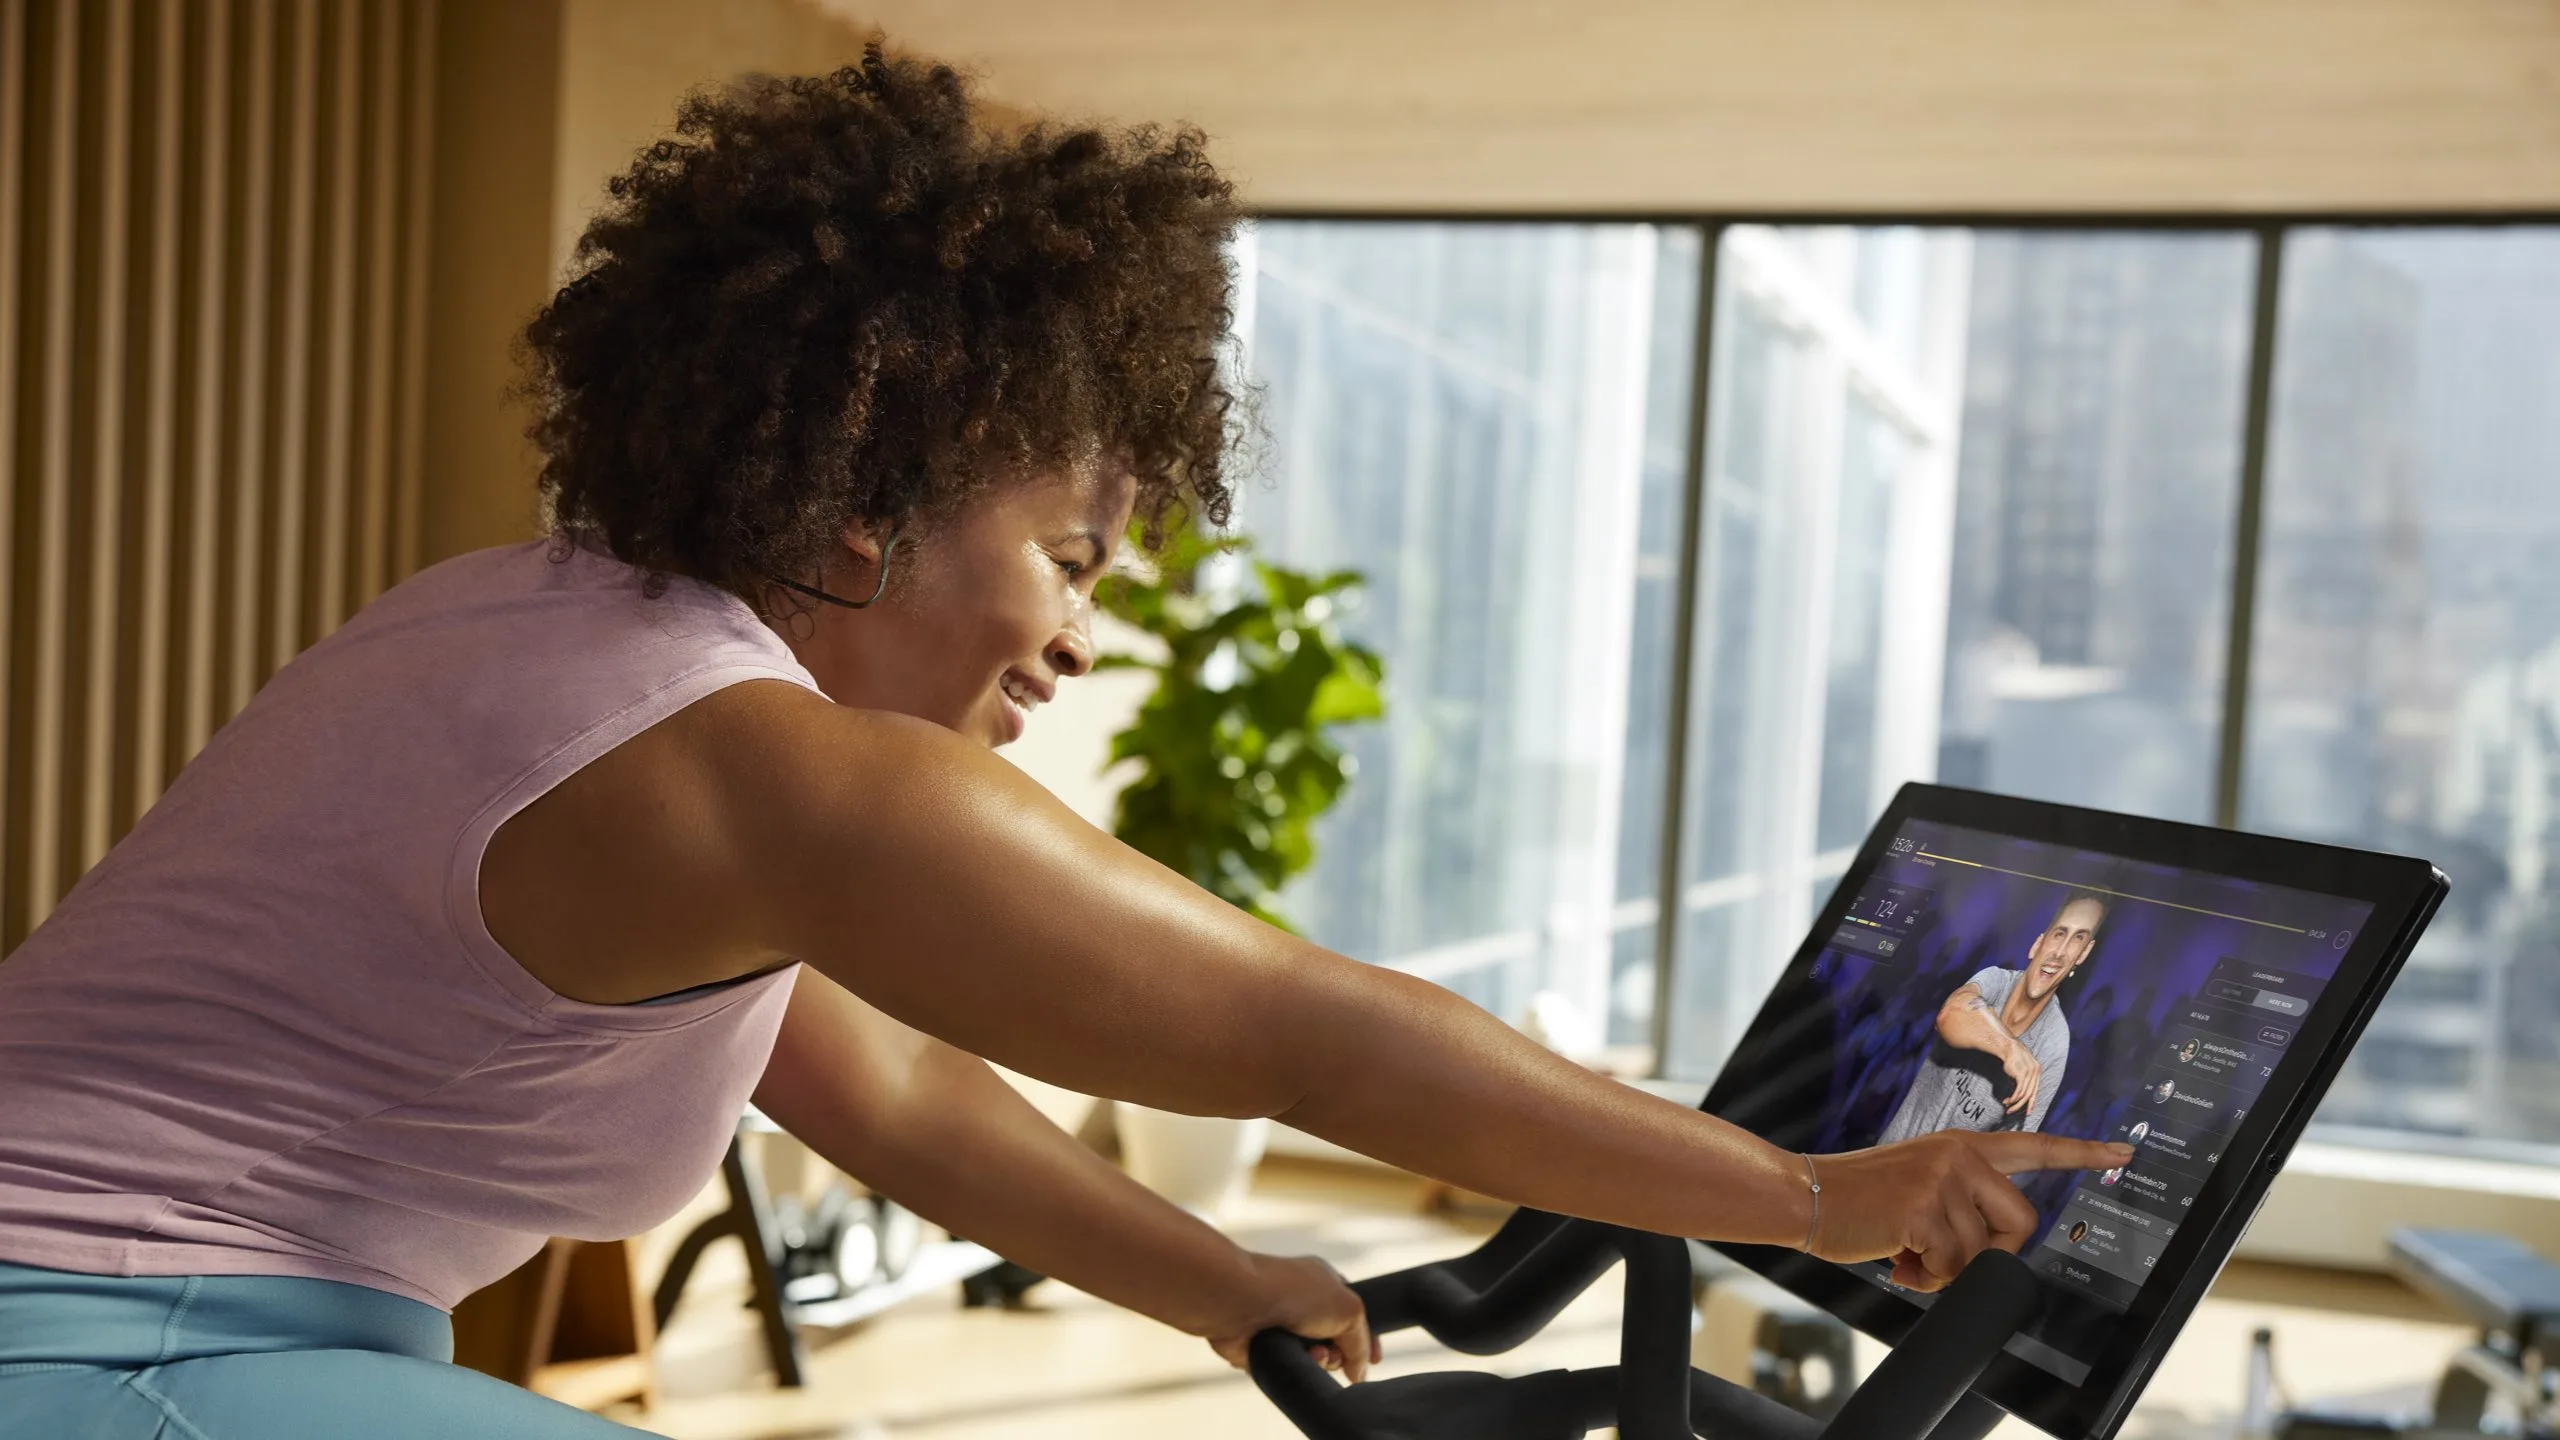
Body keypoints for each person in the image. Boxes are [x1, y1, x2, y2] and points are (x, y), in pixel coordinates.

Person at [0, 49, 2126, 1440]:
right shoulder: (756, 760)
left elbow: (895, 1083)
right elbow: (1300, 1036)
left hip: (188, 1324)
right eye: (1070, 555)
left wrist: (1214, 1281)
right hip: (99, 1339)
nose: (1078, 640)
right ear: (866, 497)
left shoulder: (542, 631)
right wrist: (1811, 1192)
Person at [1879, 892, 2109, 1143]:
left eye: (2078, 938)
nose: (2060, 953)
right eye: (2059, 934)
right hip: (1889, 1157)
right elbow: (1950, 1013)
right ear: (2037, 945)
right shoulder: (1995, 981)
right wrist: (2009, 1048)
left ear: (2083, 954)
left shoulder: (2054, 1042)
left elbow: (2012, 1151)